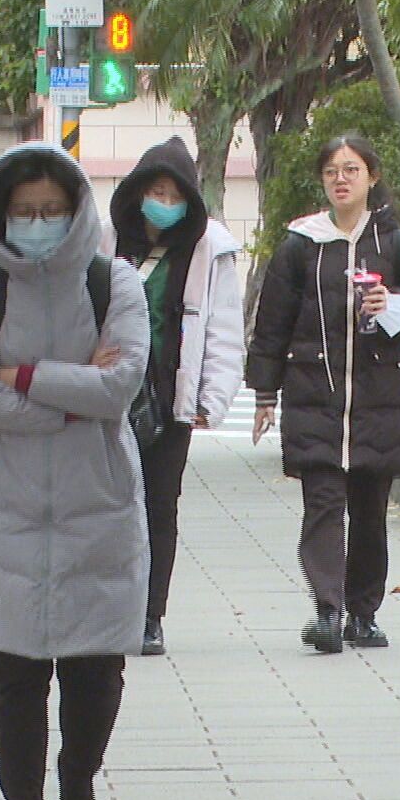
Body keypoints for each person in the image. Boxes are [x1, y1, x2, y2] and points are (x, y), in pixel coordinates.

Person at [0, 142, 149, 800]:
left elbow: (119, 385)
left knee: (98, 674)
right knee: (17, 676)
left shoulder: (112, 282)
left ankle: (79, 772)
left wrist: (24, 376)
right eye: (24, 212)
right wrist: (69, 401)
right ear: (1, 215)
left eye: (51, 211)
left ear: (76, 212)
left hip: (99, 506)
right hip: (2, 511)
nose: (37, 223)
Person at [246, 135, 400, 654]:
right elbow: (273, 323)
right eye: (332, 170)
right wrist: (266, 393)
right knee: (323, 505)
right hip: (315, 395)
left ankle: (363, 611)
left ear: (371, 177)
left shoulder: (396, 244)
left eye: (351, 169)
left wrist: (393, 304)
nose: (341, 179)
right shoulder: (299, 246)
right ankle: (327, 610)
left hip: (379, 400)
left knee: (370, 512)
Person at [109, 138, 245, 656]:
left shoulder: (210, 248)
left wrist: (214, 396)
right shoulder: (108, 239)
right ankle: (112, 609)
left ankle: (149, 616)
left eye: (173, 193)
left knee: (159, 508)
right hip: (111, 397)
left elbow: (224, 328)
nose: (163, 201)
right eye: (155, 191)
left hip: (171, 400)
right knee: (111, 507)